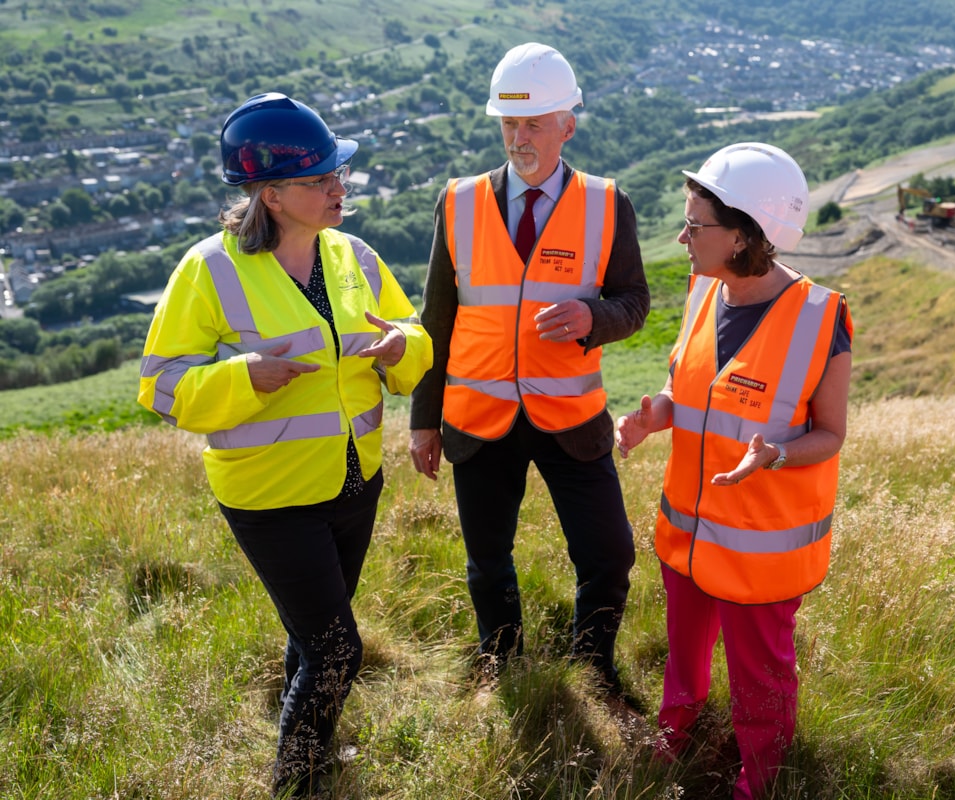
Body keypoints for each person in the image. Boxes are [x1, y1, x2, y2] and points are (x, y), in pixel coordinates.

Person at [137, 92, 432, 796]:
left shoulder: (356, 255)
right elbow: (161, 385)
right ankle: (296, 781)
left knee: (313, 639)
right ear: (270, 195)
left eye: (339, 173)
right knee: (338, 651)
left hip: (355, 483)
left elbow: (414, 336)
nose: (340, 187)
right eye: (320, 178)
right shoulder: (208, 270)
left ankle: (309, 746)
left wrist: (401, 347)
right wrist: (244, 377)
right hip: (269, 496)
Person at [408, 42, 650, 699]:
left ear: (567, 125)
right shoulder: (457, 202)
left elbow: (635, 302)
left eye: (534, 124)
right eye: (509, 123)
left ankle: (593, 669)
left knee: (609, 555)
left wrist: (594, 317)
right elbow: (436, 320)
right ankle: (501, 663)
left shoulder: (608, 204)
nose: (519, 138)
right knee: (487, 560)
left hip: (571, 417)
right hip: (477, 418)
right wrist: (423, 422)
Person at [615, 142, 853, 799]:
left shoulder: (820, 318)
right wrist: (655, 417)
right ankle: (677, 730)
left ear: (744, 235)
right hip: (688, 533)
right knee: (684, 653)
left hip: (760, 549)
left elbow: (831, 434)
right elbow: (687, 393)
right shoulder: (702, 293)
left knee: (761, 678)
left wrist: (775, 454)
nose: (683, 237)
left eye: (696, 226)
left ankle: (761, 777)